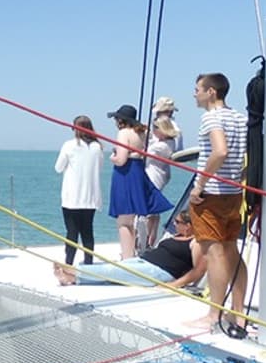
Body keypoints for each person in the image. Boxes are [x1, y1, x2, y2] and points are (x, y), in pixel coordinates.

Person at [185, 73, 248, 334]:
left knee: (215, 254)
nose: (194, 94)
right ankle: (239, 313)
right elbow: (248, 154)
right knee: (231, 250)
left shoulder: (211, 117)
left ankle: (214, 315)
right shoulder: (240, 118)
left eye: (197, 89)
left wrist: (199, 185)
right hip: (234, 194)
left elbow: (219, 151)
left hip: (210, 194)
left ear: (211, 92)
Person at [54, 210, 206, 288]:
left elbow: (198, 270)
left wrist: (172, 285)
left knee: (114, 272)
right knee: (114, 269)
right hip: (144, 262)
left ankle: (72, 271)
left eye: (177, 221)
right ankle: (73, 278)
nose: (174, 224)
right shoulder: (177, 235)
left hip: (160, 272)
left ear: (188, 226)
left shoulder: (196, 242)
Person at [107, 105, 172, 259]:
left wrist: (112, 157)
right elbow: (139, 154)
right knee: (131, 219)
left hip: (125, 175)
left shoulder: (123, 133)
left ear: (121, 120)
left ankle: (127, 256)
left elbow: (121, 160)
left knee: (123, 221)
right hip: (137, 172)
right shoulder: (140, 133)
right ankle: (130, 255)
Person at [54, 116, 103, 266]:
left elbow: (58, 167)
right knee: (88, 232)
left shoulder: (69, 145)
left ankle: (68, 263)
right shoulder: (97, 147)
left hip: (72, 197)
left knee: (72, 232)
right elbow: (99, 167)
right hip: (91, 197)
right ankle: (89, 262)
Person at [143, 115, 180, 248]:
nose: (153, 130)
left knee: (148, 211)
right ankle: (150, 240)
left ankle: (147, 240)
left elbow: (144, 152)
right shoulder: (169, 142)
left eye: (155, 128)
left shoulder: (161, 146)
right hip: (160, 175)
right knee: (154, 212)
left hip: (154, 176)